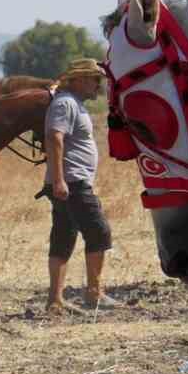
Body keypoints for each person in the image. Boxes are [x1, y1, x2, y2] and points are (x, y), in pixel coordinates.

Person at [43, 57, 116, 314]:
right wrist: (60, 180)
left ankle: (55, 301)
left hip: (70, 182)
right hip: (71, 182)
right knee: (99, 232)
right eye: (94, 80)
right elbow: (54, 137)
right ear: (80, 79)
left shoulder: (72, 103)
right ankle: (94, 294)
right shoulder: (65, 103)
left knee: (63, 237)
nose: (98, 85)